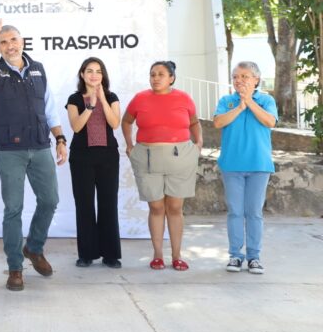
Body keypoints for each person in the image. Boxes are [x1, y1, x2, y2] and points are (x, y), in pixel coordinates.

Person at [0, 8, 67, 291]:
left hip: (40, 147)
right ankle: (15, 267)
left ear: (22, 41)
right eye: (3, 42)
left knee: (50, 201)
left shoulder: (38, 68)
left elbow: (50, 109)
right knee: (13, 209)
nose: (10, 45)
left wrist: (61, 140)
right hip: (9, 151)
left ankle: (34, 248)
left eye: (13, 39)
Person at [121, 60, 202, 271]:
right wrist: (130, 146)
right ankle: (157, 255)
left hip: (180, 157)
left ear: (171, 78)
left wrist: (199, 144)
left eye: (160, 74)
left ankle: (177, 256)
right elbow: (126, 121)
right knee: (156, 207)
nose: (155, 78)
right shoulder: (140, 99)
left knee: (175, 207)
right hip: (147, 157)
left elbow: (194, 123)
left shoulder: (184, 98)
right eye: (152, 74)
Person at [213, 61, 277, 275]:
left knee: (254, 212)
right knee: (235, 212)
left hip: (259, 165)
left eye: (245, 76)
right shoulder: (226, 101)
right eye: (235, 77)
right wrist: (240, 106)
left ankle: (254, 257)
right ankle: (235, 255)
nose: (239, 81)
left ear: (256, 80)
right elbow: (218, 123)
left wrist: (249, 102)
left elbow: (270, 122)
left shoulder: (266, 100)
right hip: (232, 165)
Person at [66, 57, 122, 269]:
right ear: (82, 74)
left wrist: (102, 100)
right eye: (89, 71)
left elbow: (115, 123)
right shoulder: (74, 98)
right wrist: (90, 106)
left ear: (103, 75)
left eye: (98, 71)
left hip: (108, 156)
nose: (94, 75)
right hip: (82, 158)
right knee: (85, 205)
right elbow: (77, 127)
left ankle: (111, 254)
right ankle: (86, 253)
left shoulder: (112, 97)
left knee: (108, 203)